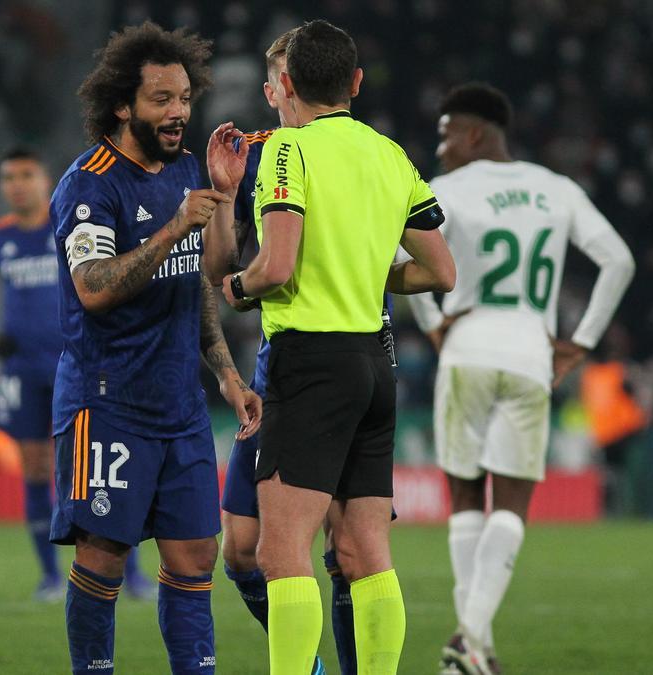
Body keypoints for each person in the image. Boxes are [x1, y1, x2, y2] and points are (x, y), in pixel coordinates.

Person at [218, 20, 454, 675]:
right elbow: (439, 271)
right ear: (354, 82)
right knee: (364, 552)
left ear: (284, 84)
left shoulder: (288, 152)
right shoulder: (391, 154)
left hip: (309, 362)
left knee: (281, 553)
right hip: (377, 365)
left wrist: (235, 286)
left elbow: (277, 267)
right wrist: (362, 268)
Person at [49, 21, 261, 675]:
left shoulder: (189, 169)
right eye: (162, 100)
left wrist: (224, 371)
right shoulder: (90, 184)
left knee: (196, 555)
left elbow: (205, 274)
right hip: (107, 399)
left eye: (184, 99)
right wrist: (174, 227)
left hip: (180, 405)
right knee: (103, 556)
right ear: (123, 105)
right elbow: (92, 287)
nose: (178, 113)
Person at [406, 82, 635, 675]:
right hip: (531, 352)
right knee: (511, 502)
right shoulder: (556, 189)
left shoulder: (447, 190)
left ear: (476, 133)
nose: (441, 145)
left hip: (468, 347)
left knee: (463, 493)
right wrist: (580, 342)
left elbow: (396, 259)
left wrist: (432, 321)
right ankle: (472, 642)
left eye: (448, 132)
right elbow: (619, 259)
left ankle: (469, 640)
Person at [0, 147, 154, 600]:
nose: (16, 184)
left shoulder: (74, 220)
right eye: (8, 177)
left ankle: (132, 574)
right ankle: (48, 576)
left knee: (101, 468)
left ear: (45, 180)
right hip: (22, 370)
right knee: (36, 467)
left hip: (81, 363)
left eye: (26, 174)